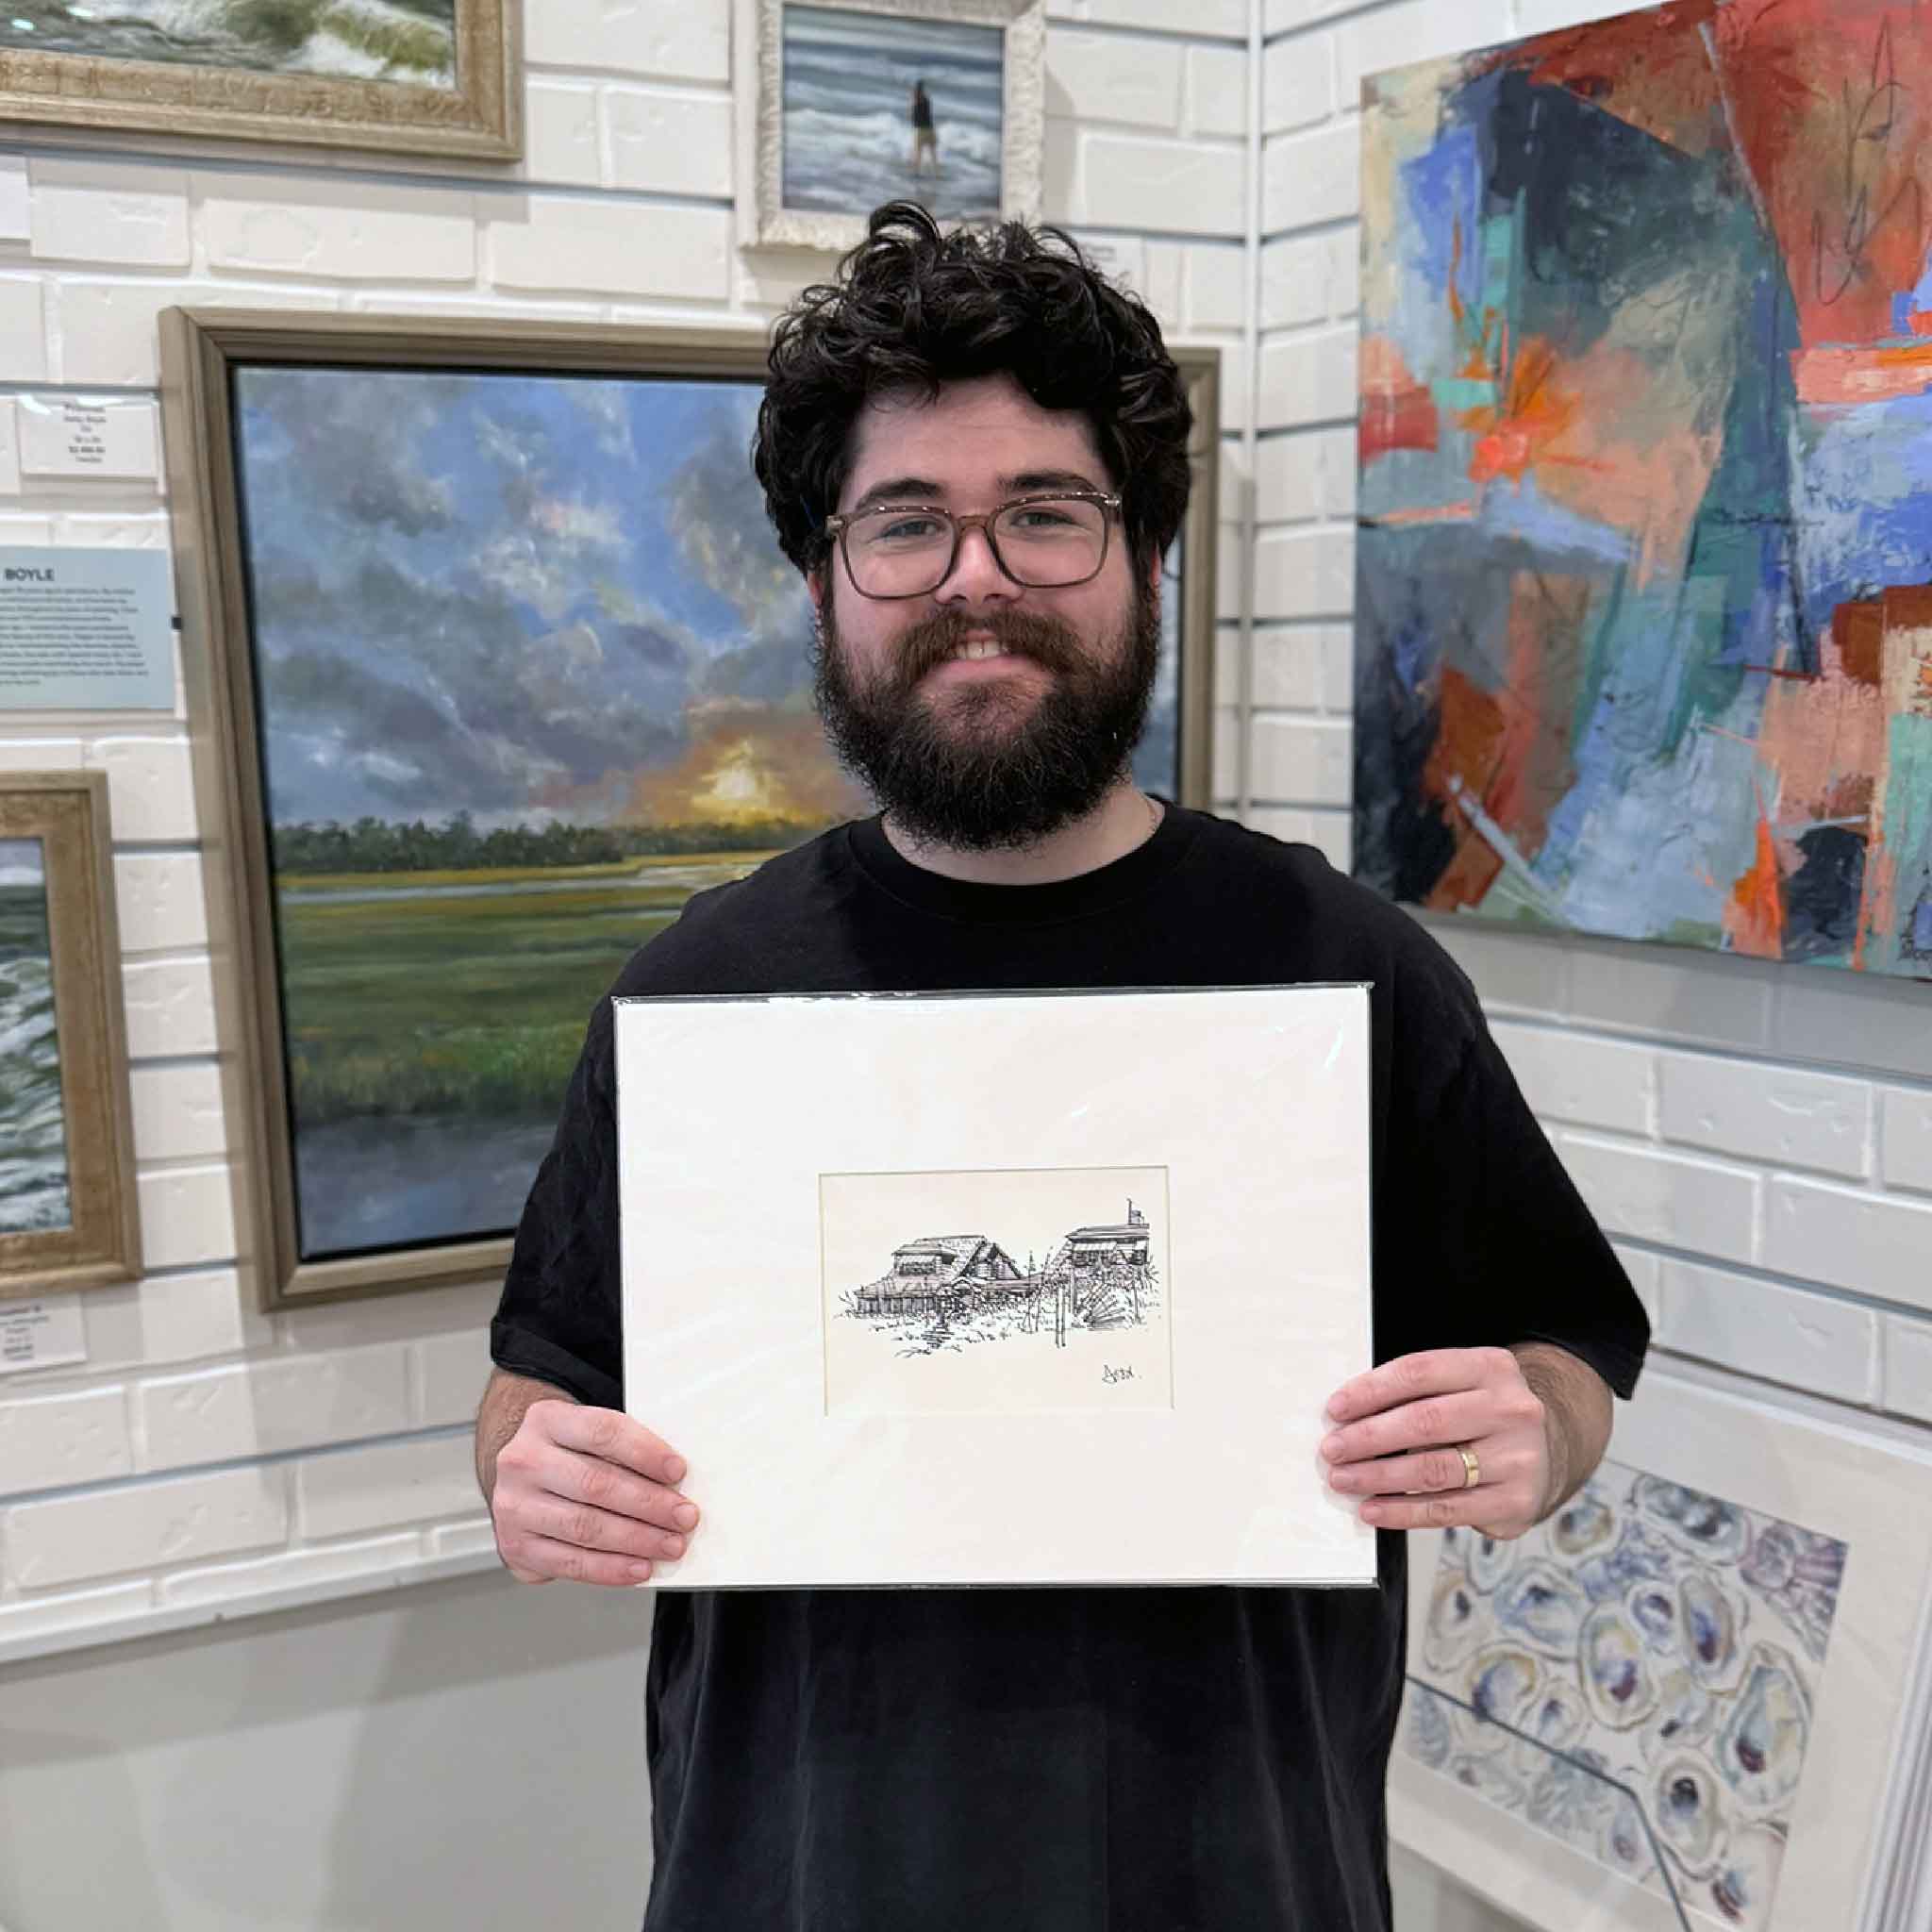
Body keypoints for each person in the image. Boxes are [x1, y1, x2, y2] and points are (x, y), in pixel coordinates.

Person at [477, 200, 1649, 1931]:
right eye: (906, 525)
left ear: (1143, 564)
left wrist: (1532, 1430)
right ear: (824, 585)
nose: (976, 577)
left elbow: (1567, 1347)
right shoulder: (697, 995)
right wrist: (535, 1469)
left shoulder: (1344, 967)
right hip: (795, 1879)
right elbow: (540, 1376)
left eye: (1043, 513)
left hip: (1238, 1872)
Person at [909, 77, 939, 177]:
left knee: (918, 153)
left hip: (921, 130)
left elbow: (914, 118)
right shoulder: (926, 100)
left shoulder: (916, 100)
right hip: (930, 129)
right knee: (933, 153)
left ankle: (916, 173)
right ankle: (937, 173)